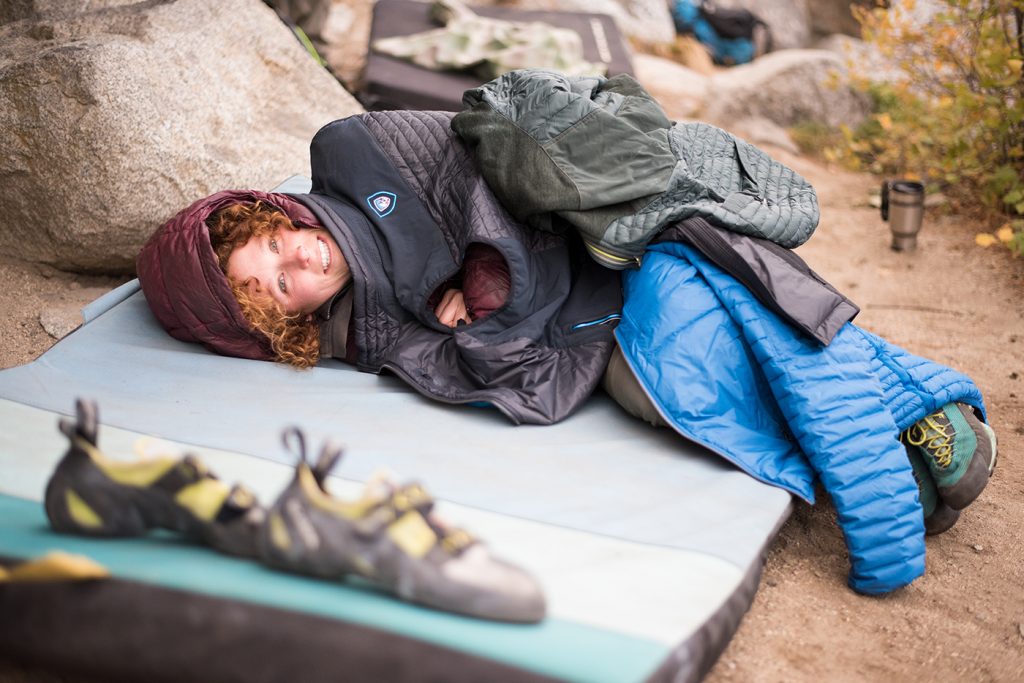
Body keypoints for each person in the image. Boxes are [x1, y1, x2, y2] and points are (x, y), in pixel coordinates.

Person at [137, 70, 997, 596]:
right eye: (273, 288)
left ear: (266, 210)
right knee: (671, 386)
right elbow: (528, 388)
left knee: (719, 291)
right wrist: (485, 330)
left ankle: (915, 414)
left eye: (274, 242)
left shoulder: (357, 149)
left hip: (612, 232)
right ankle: (882, 465)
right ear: (278, 326)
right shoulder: (369, 337)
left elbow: (475, 162)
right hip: (592, 329)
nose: (298, 262)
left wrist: (485, 276)